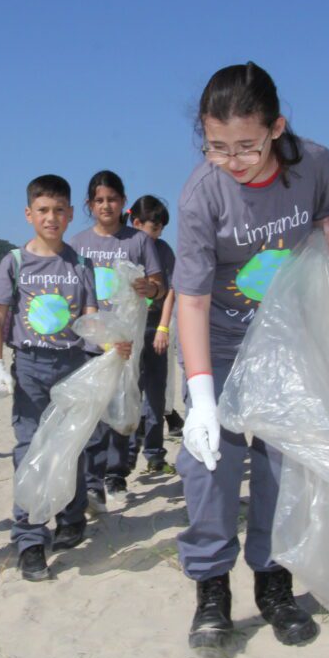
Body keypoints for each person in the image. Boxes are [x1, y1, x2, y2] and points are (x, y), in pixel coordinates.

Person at [175, 61, 329, 652]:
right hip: (217, 342)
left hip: (286, 341)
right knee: (209, 469)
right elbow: (190, 303)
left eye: (246, 145)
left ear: (277, 127)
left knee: (281, 465)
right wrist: (200, 402)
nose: (233, 160)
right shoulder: (202, 193)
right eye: (216, 147)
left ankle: (274, 582)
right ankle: (212, 590)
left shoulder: (313, 161)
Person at [0, 174, 101, 580]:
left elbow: (91, 319)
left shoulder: (82, 265)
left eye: (58, 210)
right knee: (29, 450)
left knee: (71, 446)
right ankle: (30, 538)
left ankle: (72, 516)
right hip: (30, 368)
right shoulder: (15, 262)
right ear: (28, 213)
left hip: (73, 365)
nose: (51, 218)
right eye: (43, 210)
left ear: (69, 214)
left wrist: (109, 345)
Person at [67, 171, 165, 509]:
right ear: (89, 205)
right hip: (92, 344)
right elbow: (73, 293)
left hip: (127, 343)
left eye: (112, 199)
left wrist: (149, 289)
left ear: (123, 202)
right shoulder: (78, 244)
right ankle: (92, 481)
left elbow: (159, 285)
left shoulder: (138, 241)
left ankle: (116, 474)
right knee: (94, 411)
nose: (105, 205)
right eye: (99, 200)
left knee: (122, 406)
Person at [126, 195, 177, 474]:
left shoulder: (164, 250)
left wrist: (163, 327)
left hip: (155, 323)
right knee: (130, 391)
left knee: (156, 391)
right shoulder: (124, 245)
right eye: (154, 228)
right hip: (128, 327)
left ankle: (155, 453)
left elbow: (171, 290)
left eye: (160, 229)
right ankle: (128, 453)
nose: (158, 234)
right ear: (137, 223)